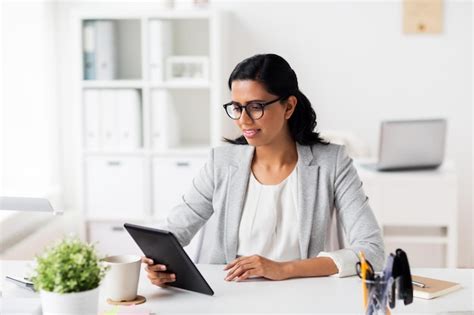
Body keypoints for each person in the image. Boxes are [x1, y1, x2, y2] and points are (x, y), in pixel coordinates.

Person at [142, 53, 384, 287]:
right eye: (237, 107)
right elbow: (173, 231)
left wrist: (283, 269)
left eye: (256, 107)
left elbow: (372, 250)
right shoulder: (222, 162)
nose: (243, 120)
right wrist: (159, 266)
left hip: (303, 297)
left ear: (288, 107)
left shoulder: (332, 162)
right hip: (230, 297)